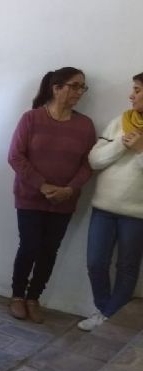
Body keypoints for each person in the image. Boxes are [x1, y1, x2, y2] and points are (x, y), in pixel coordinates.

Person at [7, 67, 95, 323]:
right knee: (29, 246)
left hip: (64, 201)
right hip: (30, 197)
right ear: (56, 88)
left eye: (82, 87)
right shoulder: (31, 119)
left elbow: (88, 164)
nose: (79, 92)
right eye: (75, 86)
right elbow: (15, 156)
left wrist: (70, 189)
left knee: (49, 250)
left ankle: (34, 297)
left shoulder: (85, 125)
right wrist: (42, 186)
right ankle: (16, 296)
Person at [78, 72, 143, 331]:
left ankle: (109, 317)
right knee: (95, 262)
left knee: (127, 267)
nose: (131, 95)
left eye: (137, 90)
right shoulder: (120, 122)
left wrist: (140, 150)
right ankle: (106, 311)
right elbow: (94, 160)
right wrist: (122, 145)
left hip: (137, 214)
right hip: (104, 208)